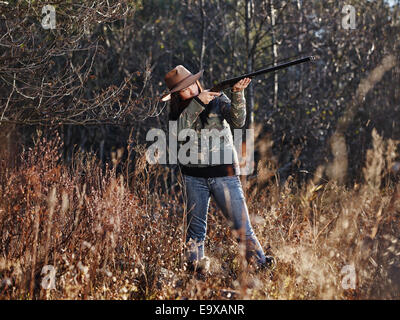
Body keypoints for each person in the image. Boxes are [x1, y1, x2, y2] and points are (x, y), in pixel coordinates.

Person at [162, 65, 275, 275]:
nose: (190, 91)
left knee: (242, 227)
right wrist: (198, 103)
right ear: (177, 95)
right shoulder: (179, 113)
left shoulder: (218, 99)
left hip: (225, 175)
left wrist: (238, 94)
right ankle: (195, 274)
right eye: (183, 90)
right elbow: (179, 133)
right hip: (193, 178)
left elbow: (238, 120)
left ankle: (261, 267)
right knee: (195, 232)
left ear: (196, 82)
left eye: (191, 86)